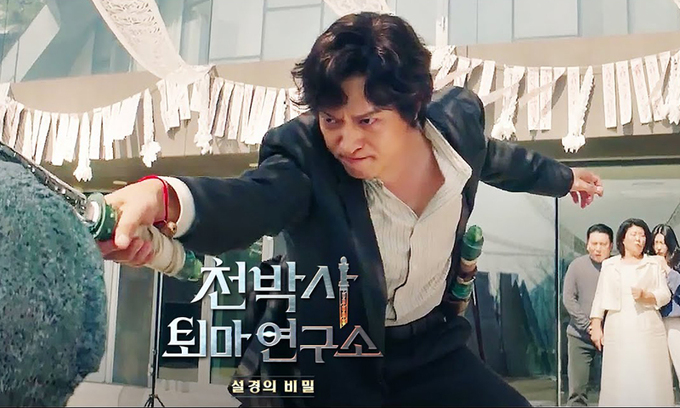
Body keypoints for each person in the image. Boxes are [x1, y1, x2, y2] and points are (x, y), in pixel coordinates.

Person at [99, 12, 603, 407]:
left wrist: (564, 179)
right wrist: (162, 197)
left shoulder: (458, 129)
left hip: (432, 348)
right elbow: (252, 199)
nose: (346, 141)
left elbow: (499, 160)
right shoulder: (305, 157)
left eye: (367, 120)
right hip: (332, 359)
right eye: (331, 120)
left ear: (413, 107)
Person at [590, 218, 674, 407]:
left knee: (650, 377)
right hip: (618, 327)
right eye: (634, 234)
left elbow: (665, 294)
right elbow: (600, 297)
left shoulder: (653, 264)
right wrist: (596, 324)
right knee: (620, 377)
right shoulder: (610, 265)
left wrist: (647, 296)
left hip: (647, 327)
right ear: (623, 239)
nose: (639, 239)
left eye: (642, 235)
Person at [562, 223, 613, 406]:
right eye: (594, 243)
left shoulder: (616, 267)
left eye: (603, 244)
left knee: (615, 387)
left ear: (611, 246)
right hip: (580, 337)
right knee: (577, 391)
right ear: (587, 244)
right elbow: (568, 299)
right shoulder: (576, 266)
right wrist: (590, 327)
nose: (598, 249)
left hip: (612, 336)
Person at [652, 223, 680, 380]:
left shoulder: (677, 261)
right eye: (655, 243)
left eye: (662, 243)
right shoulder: (650, 263)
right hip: (656, 319)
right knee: (661, 370)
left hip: (675, 320)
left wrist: (668, 270)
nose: (658, 247)